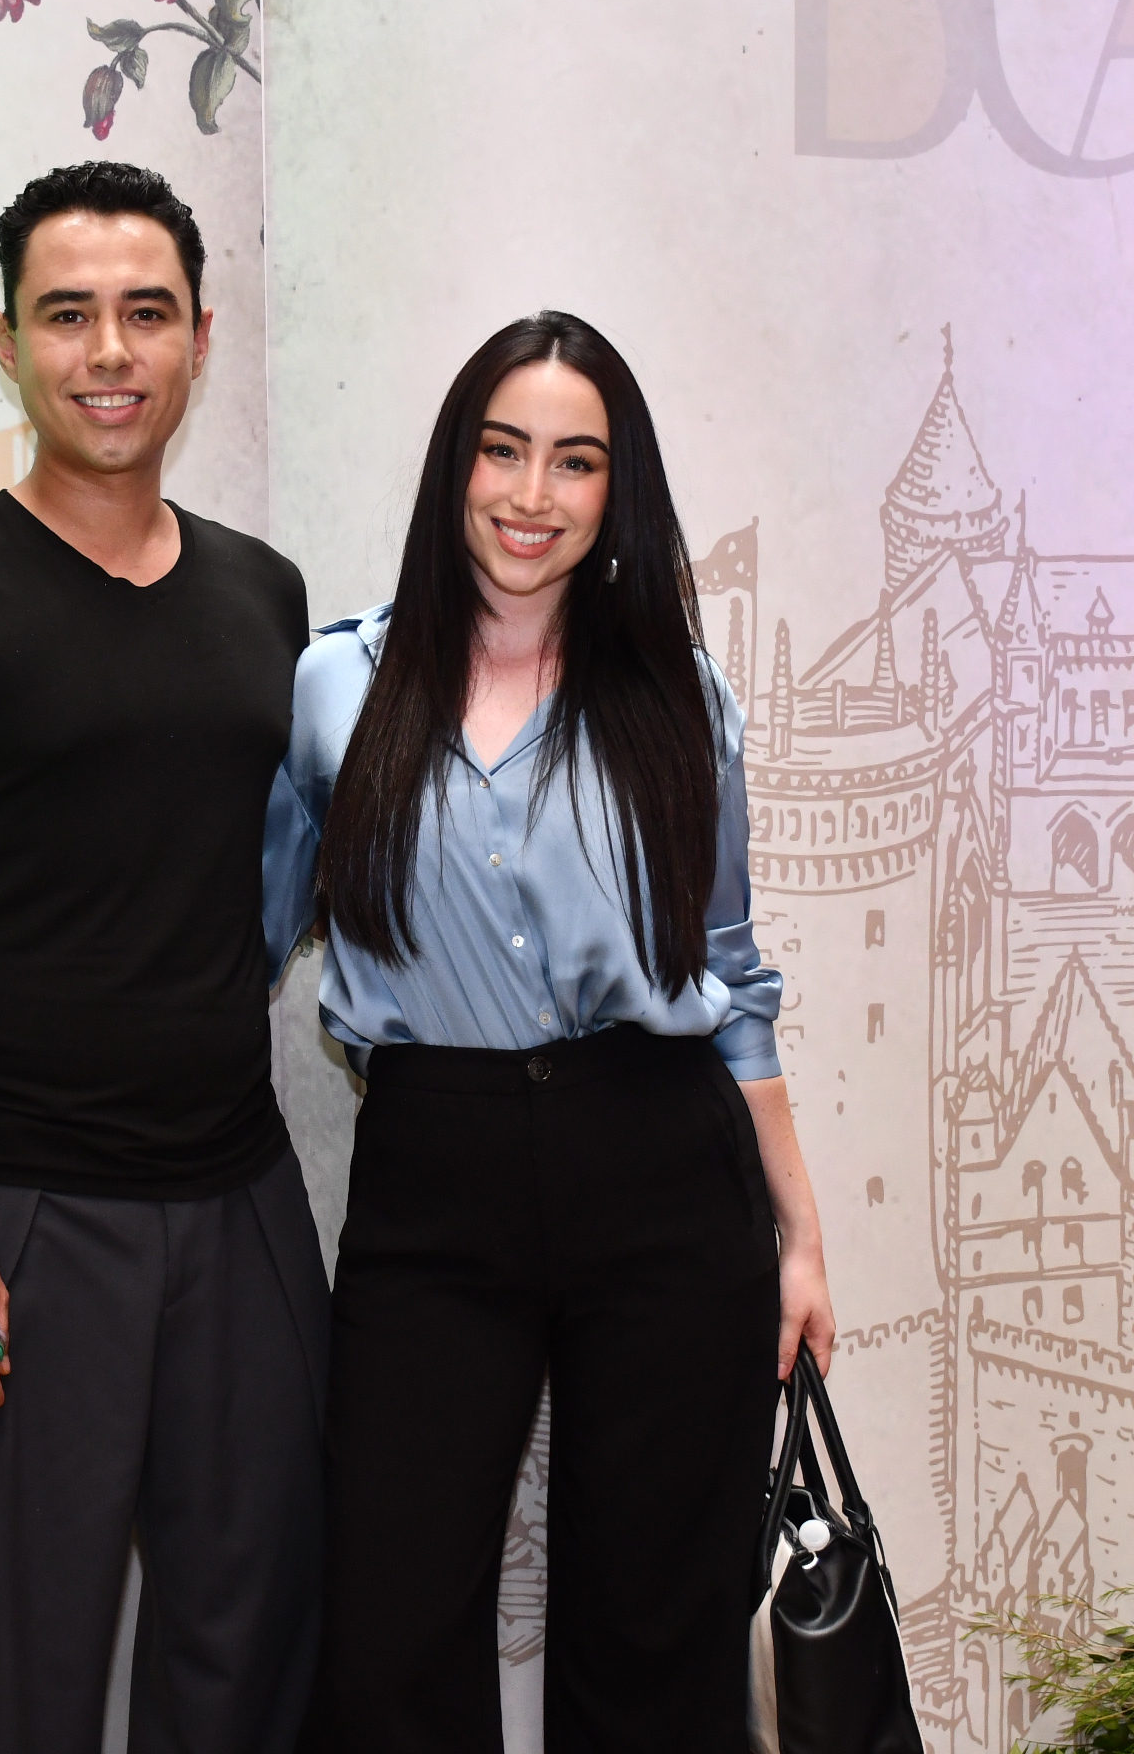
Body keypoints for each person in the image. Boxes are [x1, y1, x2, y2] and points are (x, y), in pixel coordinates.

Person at [265, 311, 838, 1753]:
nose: (533, 495)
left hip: (660, 1163)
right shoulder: (337, 687)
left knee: (655, 1637)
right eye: (503, 450)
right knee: (389, 1636)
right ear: (455, 465)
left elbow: (728, 973)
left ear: (615, 489)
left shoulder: (680, 697)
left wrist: (799, 1234)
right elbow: (246, 932)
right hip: (433, 1170)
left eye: (575, 461)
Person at [0, 162, 326, 1754]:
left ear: (199, 338)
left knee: (248, 1660)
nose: (109, 351)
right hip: (13, 1217)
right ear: (9, 343)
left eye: (145, 313)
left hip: (239, 1206)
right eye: (68, 315)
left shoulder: (264, 596)